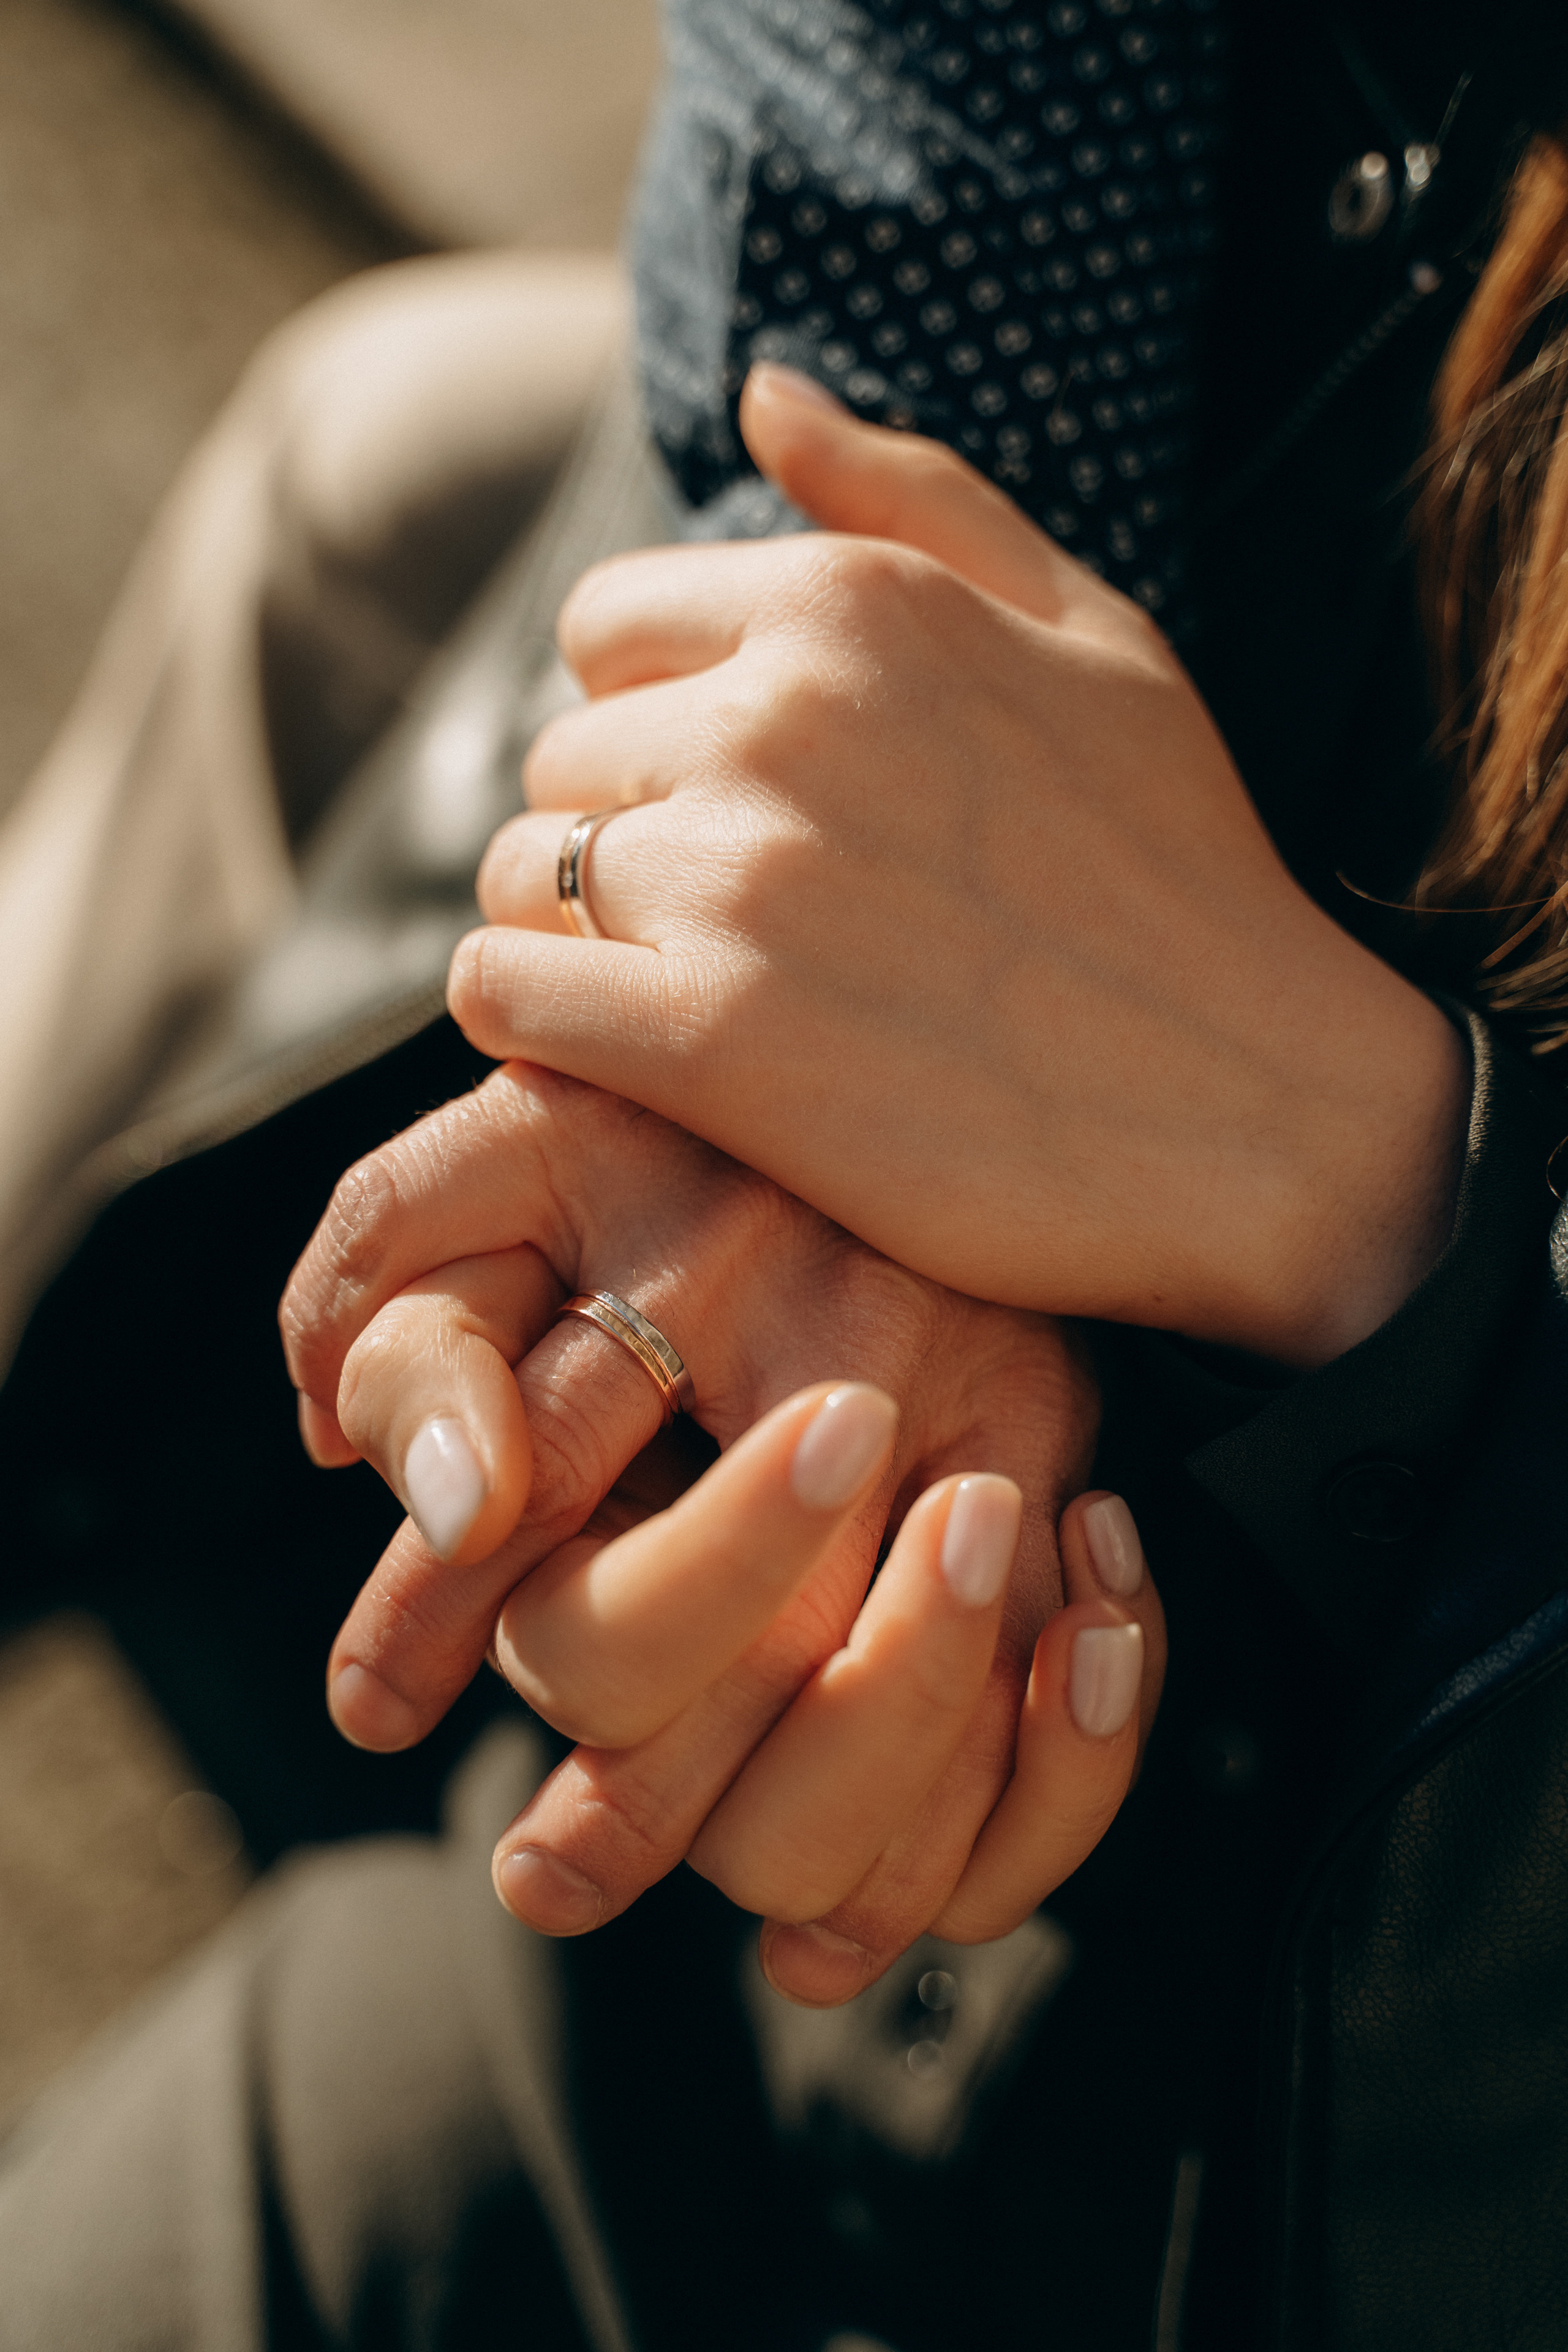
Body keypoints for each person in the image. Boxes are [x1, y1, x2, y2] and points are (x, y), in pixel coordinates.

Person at [6, 4, 1568, 2348]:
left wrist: (1357, 1193)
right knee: (387, 457)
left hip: (1398, 2076)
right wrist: (845, 970)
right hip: (773, 1902)